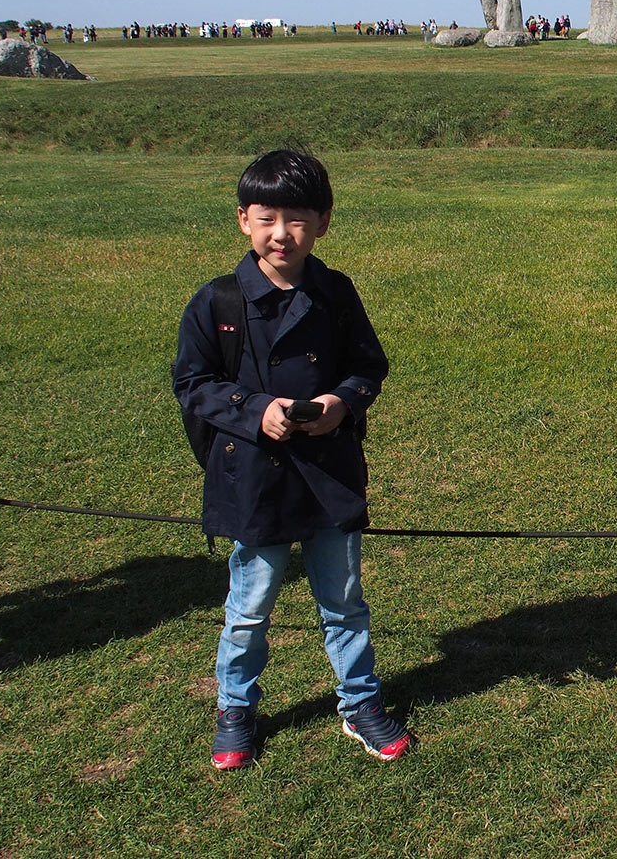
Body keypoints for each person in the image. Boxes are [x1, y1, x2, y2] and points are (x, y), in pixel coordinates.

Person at [173, 149, 410, 770]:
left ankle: (359, 701)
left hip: (328, 471)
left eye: (298, 219)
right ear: (244, 221)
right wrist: (255, 410)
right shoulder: (219, 302)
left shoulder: (334, 292)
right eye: (268, 218)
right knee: (249, 610)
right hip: (255, 477)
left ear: (324, 223)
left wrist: (341, 400)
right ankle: (235, 708)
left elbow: (369, 366)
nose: (283, 234)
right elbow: (192, 383)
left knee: (345, 601)